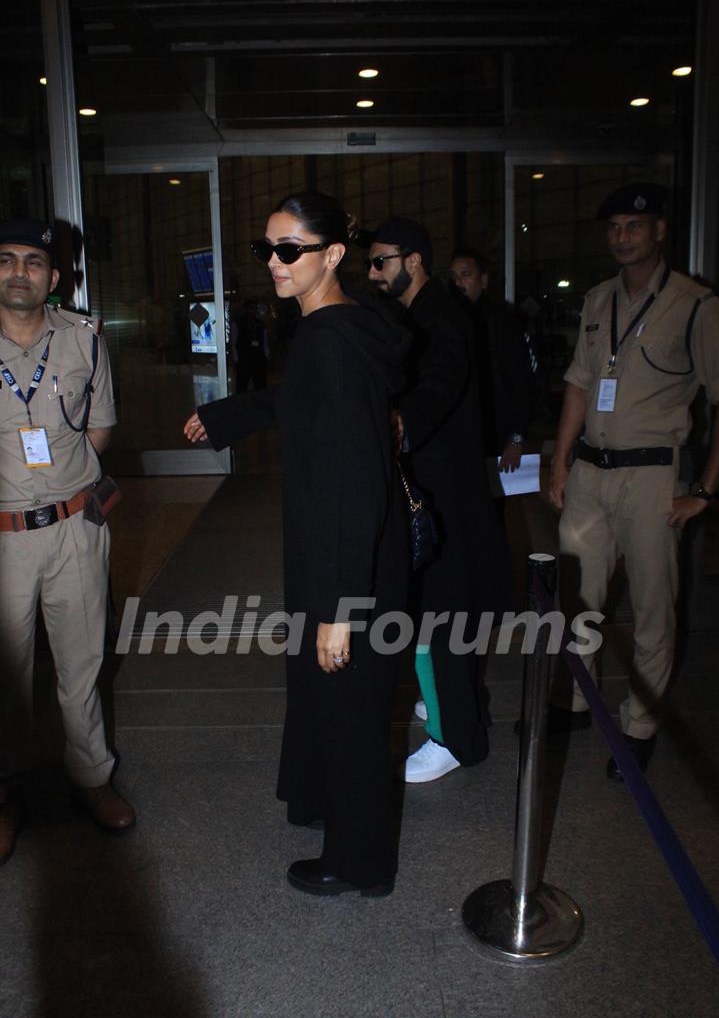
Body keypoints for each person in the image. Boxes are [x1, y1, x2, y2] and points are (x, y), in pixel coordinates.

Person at [184, 192, 409, 896]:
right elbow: (298, 401)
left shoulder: (332, 339)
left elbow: (355, 479)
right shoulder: (341, 325)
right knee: (329, 695)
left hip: (348, 556)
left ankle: (360, 863)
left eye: (290, 250)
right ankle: (320, 803)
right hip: (343, 546)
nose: (274, 263)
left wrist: (339, 606)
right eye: (267, 248)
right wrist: (228, 415)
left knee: (350, 708)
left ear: (333, 254)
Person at [549, 182, 719, 779]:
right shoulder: (598, 300)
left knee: (652, 609)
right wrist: (560, 459)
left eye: (634, 227)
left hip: (653, 476)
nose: (622, 237)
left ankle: (641, 725)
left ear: (659, 232)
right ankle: (575, 700)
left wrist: (702, 492)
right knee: (578, 599)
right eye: (615, 227)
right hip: (591, 471)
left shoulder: (697, 306)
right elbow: (578, 382)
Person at [0, 218, 135, 867]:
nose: (18, 272)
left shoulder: (84, 339)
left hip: (73, 527)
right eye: (5, 260)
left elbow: (101, 431)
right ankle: (5, 796)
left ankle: (91, 779)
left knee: (82, 665)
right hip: (1, 538)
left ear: (53, 278)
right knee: (7, 675)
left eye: (32, 262)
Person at [367, 218, 515, 784]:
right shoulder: (415, 313)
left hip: (446, 497)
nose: (375, 272)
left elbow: (442, 382)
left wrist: (402, 426)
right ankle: (451, 708)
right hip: (430, 491)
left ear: (414, 260)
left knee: (441, 618)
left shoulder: (443, 313)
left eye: (383, 262)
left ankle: (457, 739)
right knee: (432, 617)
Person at [449, 247, 535, 479]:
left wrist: (516, 437)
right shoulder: (447, 322)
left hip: (494, 433)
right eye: (453, 276)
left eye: (465, 275)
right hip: (460, 436)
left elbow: (522, 381)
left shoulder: (503, 323)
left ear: (483, 280)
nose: (458, 282)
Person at [231, 299, 268, 392]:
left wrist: (266, 355)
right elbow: (233, 341)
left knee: (260, 384)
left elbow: (264, 341)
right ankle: (240, 404)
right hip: (244, 358)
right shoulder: (238, 323)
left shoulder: (260, 324)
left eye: (255, 308)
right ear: (246, 309)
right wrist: (236, 357)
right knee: (242, 384)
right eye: (251, 308)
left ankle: (260, 403)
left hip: (258, 357)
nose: (253, 311)